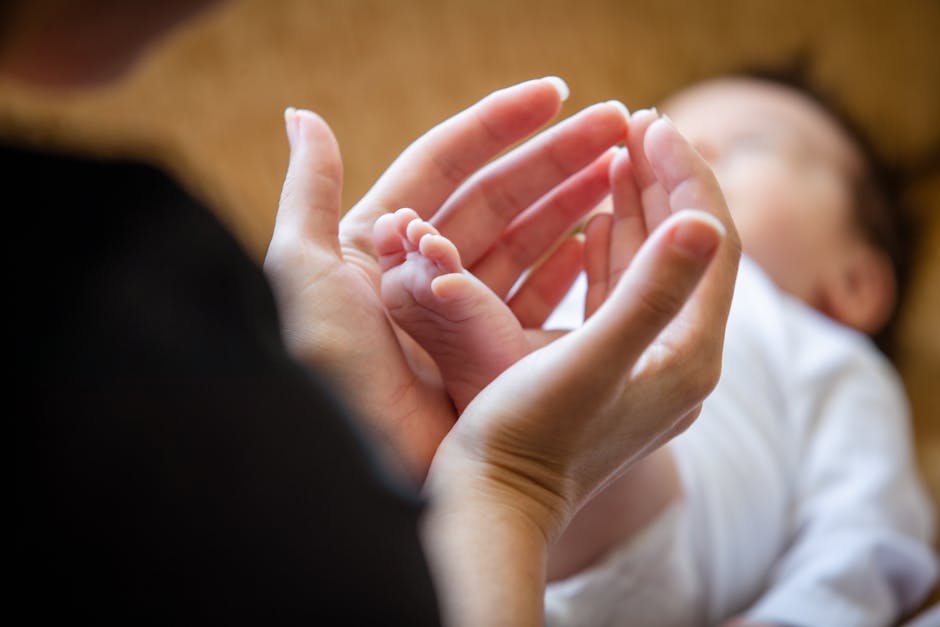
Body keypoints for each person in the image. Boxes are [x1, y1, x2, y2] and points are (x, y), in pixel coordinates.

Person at [7, 1, 741, 625]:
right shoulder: (111, 305)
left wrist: (347, 423)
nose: (706, 148)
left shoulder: (821, 351)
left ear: (855, 277)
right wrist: (517, 481)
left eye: (759, 148)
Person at [376, 76, 940, 626]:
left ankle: (512, 383)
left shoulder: (833, 356)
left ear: (856, 285)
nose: (692, 154)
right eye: (666, 143)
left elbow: (868, 523)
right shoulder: (580, 280)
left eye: (750, 145)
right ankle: (501, 378)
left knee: (611, 441)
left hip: (680, 539)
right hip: (493, 558)